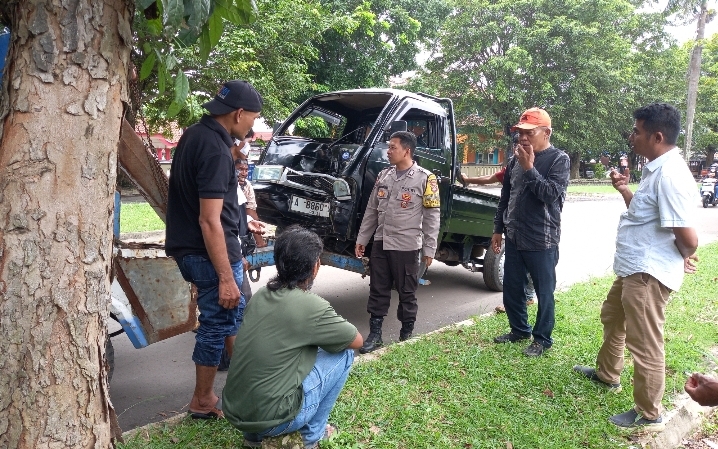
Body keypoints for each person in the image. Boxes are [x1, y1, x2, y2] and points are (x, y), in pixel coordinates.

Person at [573, 103, 699, 430]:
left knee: (644, 343)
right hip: (634, 268)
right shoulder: (656, 169)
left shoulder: (669, 176)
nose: (632, 137)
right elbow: (645, 215)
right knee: (613, 317)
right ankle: (607, 374)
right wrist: (624, 190)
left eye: (636, 131)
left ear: (657, 136)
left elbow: (688, 238)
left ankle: (649, 412)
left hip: (648, 274)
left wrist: (684, 253)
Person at [165, 80, 264, 419]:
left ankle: (249, 386)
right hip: (207, 253)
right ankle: (203, 400)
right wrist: (225, 276)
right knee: (217, 323)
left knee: (233, 316)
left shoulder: (196, 135)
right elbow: (209, 220)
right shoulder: (216, 151)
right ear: (238, 113)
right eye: (253, 118)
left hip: (195, 249)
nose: (252, 126)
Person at [222, 226, 363, 449]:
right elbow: (356, 340)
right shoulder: (312, 306)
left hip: (236, 412)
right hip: (276, 419)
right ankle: (313, 437)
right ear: (315, 266)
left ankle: (253, 439)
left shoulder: (261, 295)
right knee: (344, 354)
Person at [491, 107, 570, 357]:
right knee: (512, 288)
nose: (523, 138)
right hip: (514, 236)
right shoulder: (515, 159)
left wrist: (529, 168)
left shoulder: (559, 159)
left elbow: (549, 194)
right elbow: (506, 197)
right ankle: (519, 330)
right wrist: (498, 229)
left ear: (546, 133)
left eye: (529, 132)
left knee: (544, 293)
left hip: (542, 239)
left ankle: (542, 339)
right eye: (520, 132)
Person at [355, 131, 441, 353]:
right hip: (381, 242)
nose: (388, 151)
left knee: (407, 292)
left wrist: (429, 248)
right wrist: (363, 238)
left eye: (393, 147)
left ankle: (406, 335)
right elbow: (372, 210)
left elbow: (432, 217)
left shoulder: (426, 178)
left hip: (407, 246)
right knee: (377, 289)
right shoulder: (384, 175)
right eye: (389, 147)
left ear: (407, 151)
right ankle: (375, 335)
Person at [460, 167, 537, 307]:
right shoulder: (513, 168)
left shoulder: (542, 165)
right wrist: (467, 179)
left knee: (531, 262)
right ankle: (517, 302)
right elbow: (490, 178)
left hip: (535, 225)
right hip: (514, 223)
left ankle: (528, 296)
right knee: (515, 265)